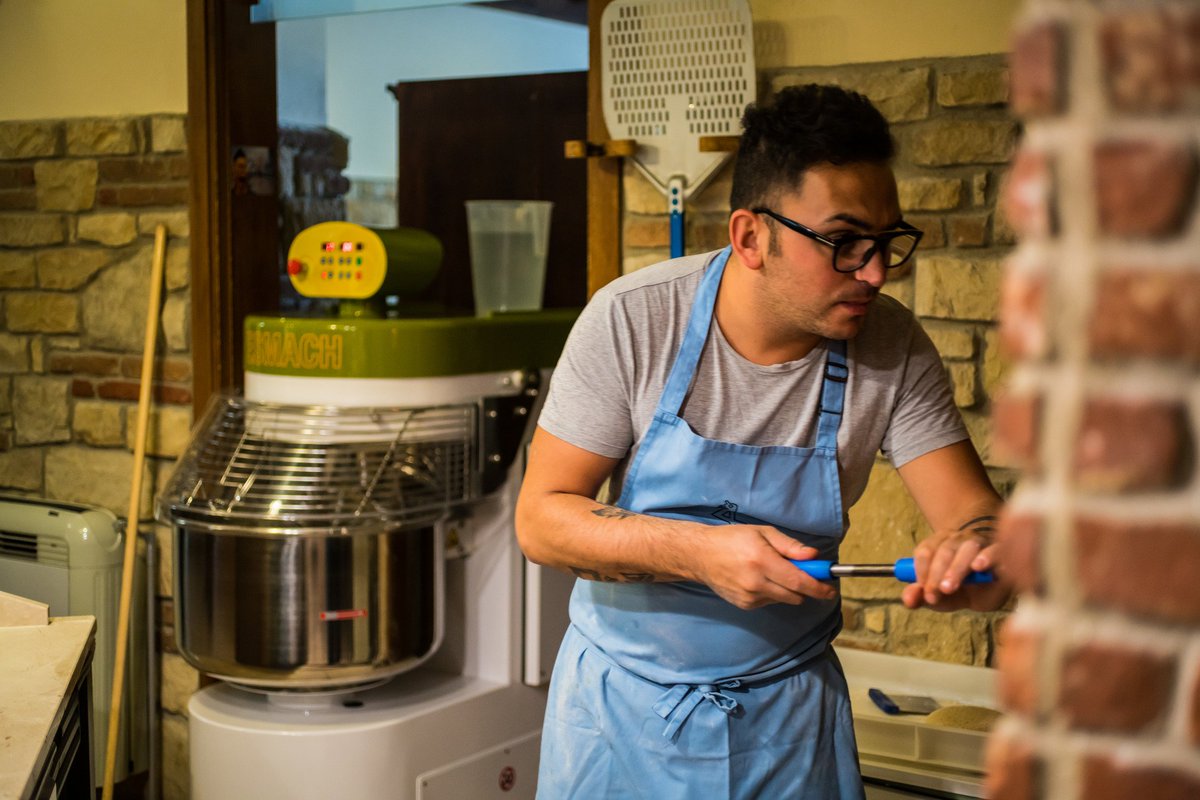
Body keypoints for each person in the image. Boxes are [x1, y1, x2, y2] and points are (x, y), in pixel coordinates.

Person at [515, 83, 1011, 799]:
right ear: (751, 236)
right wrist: (698, 552)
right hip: (619, 721)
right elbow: (542, 518)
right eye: (843, 243)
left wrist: (977, 557)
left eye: (886, 242)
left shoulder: (892, 346)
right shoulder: (632, 320)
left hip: (789, 728)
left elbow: (981, 525)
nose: (875, 273)